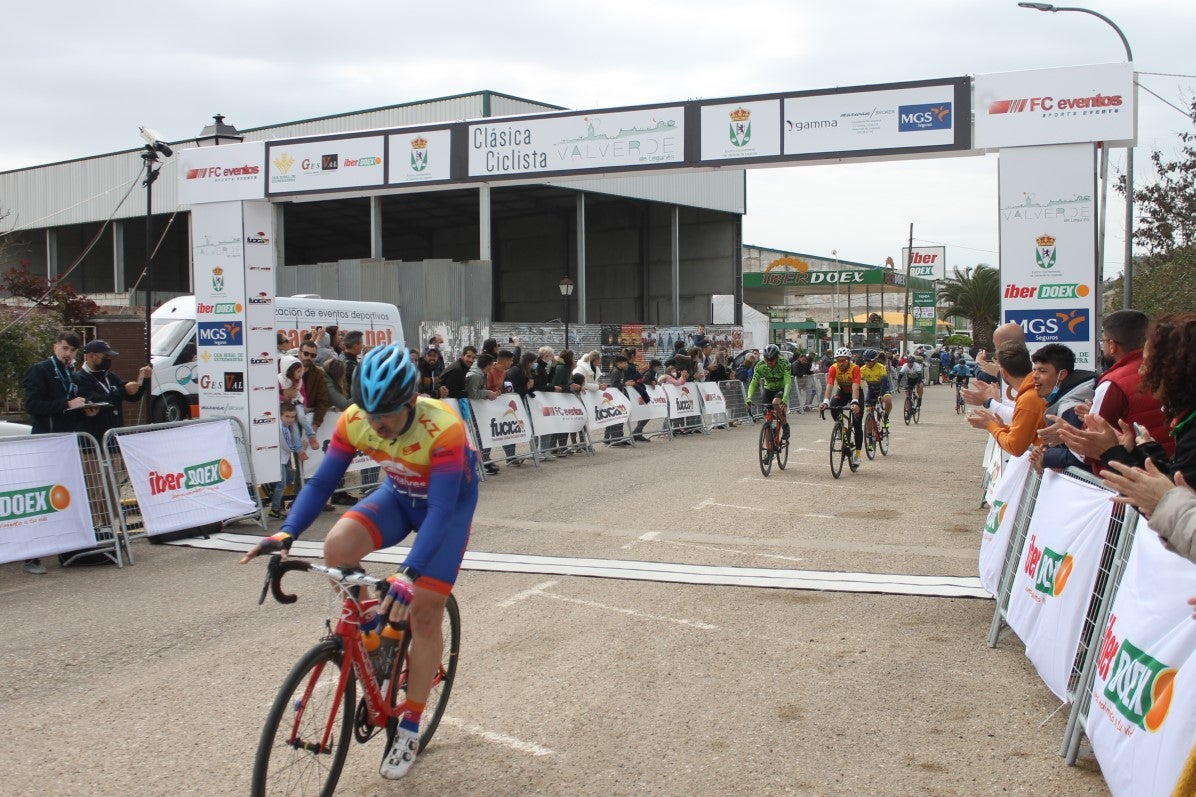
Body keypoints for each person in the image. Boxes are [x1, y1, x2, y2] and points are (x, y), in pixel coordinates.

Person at [240, 342, 479, 781]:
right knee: (337, 547)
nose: (376, 425)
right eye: (368, 413)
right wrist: (286, 532)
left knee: (424, 614)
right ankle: (374, 637)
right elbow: (323, 482)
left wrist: (408, 574)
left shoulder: (443, 427)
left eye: (385, 415)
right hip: (400, 495)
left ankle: (409, 726)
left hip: (444, 509)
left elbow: (442, 512)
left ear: (410, 402)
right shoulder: (356, 420)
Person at [1058, 313, 1196, 488]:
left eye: (1148, 364)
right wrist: (1140, 451)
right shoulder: (1186, 421)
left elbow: (1171, 503)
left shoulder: (1113, 383)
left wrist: (1110, 452)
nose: (1142, 372)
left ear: (1175, 369)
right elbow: (1172, 484)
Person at [19, 330, 89, 574]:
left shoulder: (71, 373)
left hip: (66, 441)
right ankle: (32, 555)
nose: (68, 354)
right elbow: (33, 405)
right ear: (55, 347)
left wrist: (83, 408)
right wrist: (66, 404)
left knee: (66, 495)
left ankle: (67, 546)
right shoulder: (41, 370)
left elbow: (70, 404)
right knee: (42, 498)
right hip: (46, 441)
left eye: (72, 351)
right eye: (64, 349)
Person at [965, 342, 1044, 457]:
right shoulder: (1030, 393)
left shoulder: (1029, 397)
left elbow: (1015, 447)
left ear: (1004, 372)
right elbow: (1024, 433)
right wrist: (1001, 427)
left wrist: (990, 425)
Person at [71, 339, 153, 441]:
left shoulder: (110, 376)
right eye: (105, 357)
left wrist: (144, 379)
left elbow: (133, 397)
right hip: (93, 440)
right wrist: (123, 390)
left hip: (115, 438)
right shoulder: (79, 378)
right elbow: (96, 400)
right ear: (92, 356)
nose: (108, 360)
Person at [820, 347, 862, 465]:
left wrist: (855, 402)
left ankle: (858, 455)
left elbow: (855, 386)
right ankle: (841, 427)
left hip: (857, 392)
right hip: (842, 391)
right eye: (839, 360)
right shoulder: (833, 368)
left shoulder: (855, 368)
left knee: (858, 424)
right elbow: (829, 384)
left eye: (843, 360)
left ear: (849, 360)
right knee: (833, 405)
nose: (841, 363)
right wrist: (826, 401)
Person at [746, 344, 792, 442]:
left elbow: (788, 381)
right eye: (767, 359)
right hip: (768, 390)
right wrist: (749, 398)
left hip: (781, 388)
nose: (769, 362)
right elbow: (753, 383)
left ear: (777, 357)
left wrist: (784, 398)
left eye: (772, 359)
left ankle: (785, 425)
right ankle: (769, 450)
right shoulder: (760, 366)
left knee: (775, 403)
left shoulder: (784, 363)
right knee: (767, 422)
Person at [269, 401, 308, 519]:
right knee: (282, 483)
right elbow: (286, 445)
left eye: (292, 417)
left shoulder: (286, 427)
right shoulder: (282, 428)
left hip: (283, 458)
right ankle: (274, 509)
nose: (290, 419)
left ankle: (274, 499)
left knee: (287, 480)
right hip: (279, 458)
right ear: (280, 415)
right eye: (287, 416)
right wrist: (299, 448)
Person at [466, 352, 501, 475]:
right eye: (491, 365)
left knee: (482, 434)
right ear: (487, 366)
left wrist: (489, 393)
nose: (493, 368)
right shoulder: (476, 375)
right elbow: (473, 394)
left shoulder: (481, 373)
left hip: (477, 409)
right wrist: (487, 393)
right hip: (472, 409)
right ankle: (479, 462)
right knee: (478, 436)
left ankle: (484, 459)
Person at [859, 348, 892, 427]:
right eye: (865, 361)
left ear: (874, 360)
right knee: (868, 413)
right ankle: (870, 436)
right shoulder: (862, 369)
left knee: (888, 400)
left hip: (883, 389)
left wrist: (880, 395)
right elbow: (858, 384)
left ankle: (886, 417)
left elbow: (884, 382)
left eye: (869, 361)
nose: (867, 363)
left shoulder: (881, 367)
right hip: (872, 390)